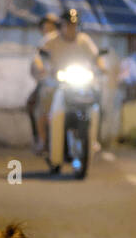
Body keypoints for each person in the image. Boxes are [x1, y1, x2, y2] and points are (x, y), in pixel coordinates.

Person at [33, 8, 105, 155]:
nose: (71, 29)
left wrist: (102, 67)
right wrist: (40, 67)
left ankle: (94, 138)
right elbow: (38, 57)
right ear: (62, 26)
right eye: (68, 25)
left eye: (74, 25)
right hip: (56, 81)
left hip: (80, 80)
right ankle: (42, 140)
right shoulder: (52, 40)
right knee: (44, 101)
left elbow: (96, 57)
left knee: (97, 100)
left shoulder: (84, 40)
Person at [27, 12, 60, 146]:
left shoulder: (66, 40)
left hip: (69, 82)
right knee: (34, 104)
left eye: (51, 27)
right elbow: (36, 59)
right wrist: (41, 69)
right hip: (48, 82)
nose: (48, 31)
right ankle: (41, 138)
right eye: (45, 28)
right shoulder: (45, 43)